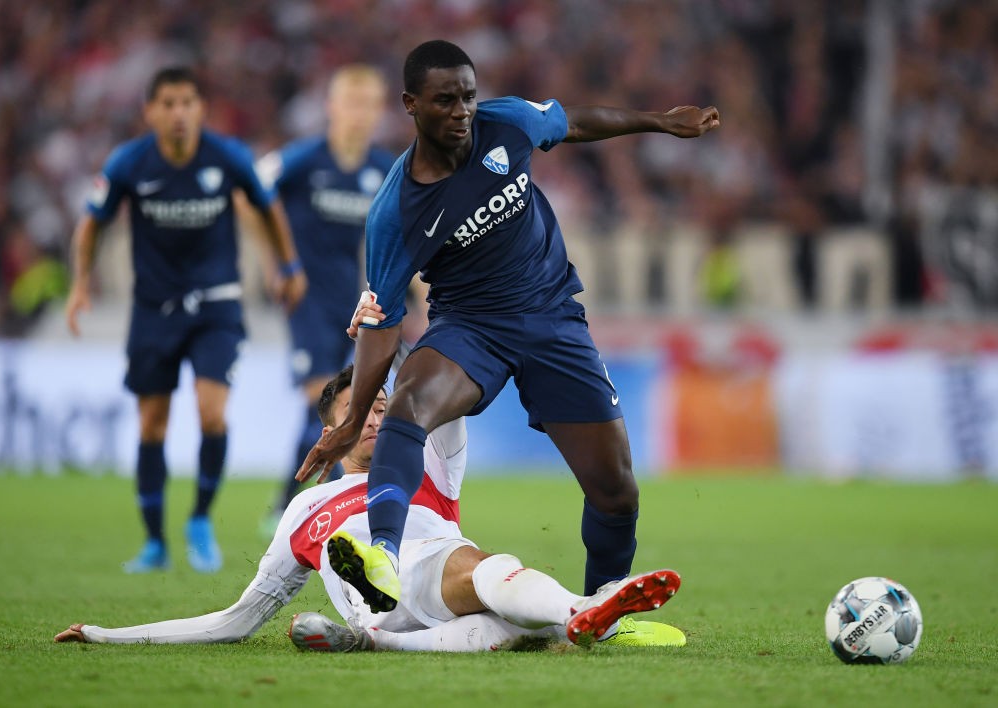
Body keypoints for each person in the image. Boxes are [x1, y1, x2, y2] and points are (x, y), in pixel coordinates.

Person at [296, 40, 720, 610]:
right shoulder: (396, 211)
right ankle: (385, 556)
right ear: (411, 105)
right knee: (408, 405)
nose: (461, 112)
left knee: (616, 491)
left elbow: (573, 123)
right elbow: (382, 323)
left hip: (553, 318)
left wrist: (660, 123)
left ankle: (603, 607)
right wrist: (351, 424)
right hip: (471, 327)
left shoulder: (508, 124)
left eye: (468, 97)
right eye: (444, 101)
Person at [53, 304, 685, 651]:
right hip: (397, 595)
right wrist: (109, 635)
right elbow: (235, 621)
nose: (381, 415)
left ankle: (575, 614)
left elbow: (435, 375)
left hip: (437, 578)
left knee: (498, 588)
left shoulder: (429, 456)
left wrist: (385, 323)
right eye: (362, 411)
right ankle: (580, 616)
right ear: (333, 433)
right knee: (508, 610)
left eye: (385, 405)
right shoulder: (304, 510)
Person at [64, 66, 307, 574]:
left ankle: (199, 519)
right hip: (154, 309)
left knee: (211, 413)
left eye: (188, 102)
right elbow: (92, 224)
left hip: (217, 306)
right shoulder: (130, 163)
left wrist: (287, 265)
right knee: (152, 423)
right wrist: (82, 283)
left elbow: (268, 208)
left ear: (201, 109)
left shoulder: (228, 156)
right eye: (168, 103)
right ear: (151, 111)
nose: (179, 113)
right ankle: (154, 543)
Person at [247, 65, 397, 538]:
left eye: (367, 105)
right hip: (305, 297)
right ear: (331, 108)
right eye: (350, 103)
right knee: (323, 397)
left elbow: (404, 229)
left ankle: (288, 503)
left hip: (354, 302)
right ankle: (335, 509)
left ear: (378, 112)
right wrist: (278, 261)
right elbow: (248, 193)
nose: (358, 115)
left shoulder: (382, 168)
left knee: (338, 404)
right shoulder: (304, 159)